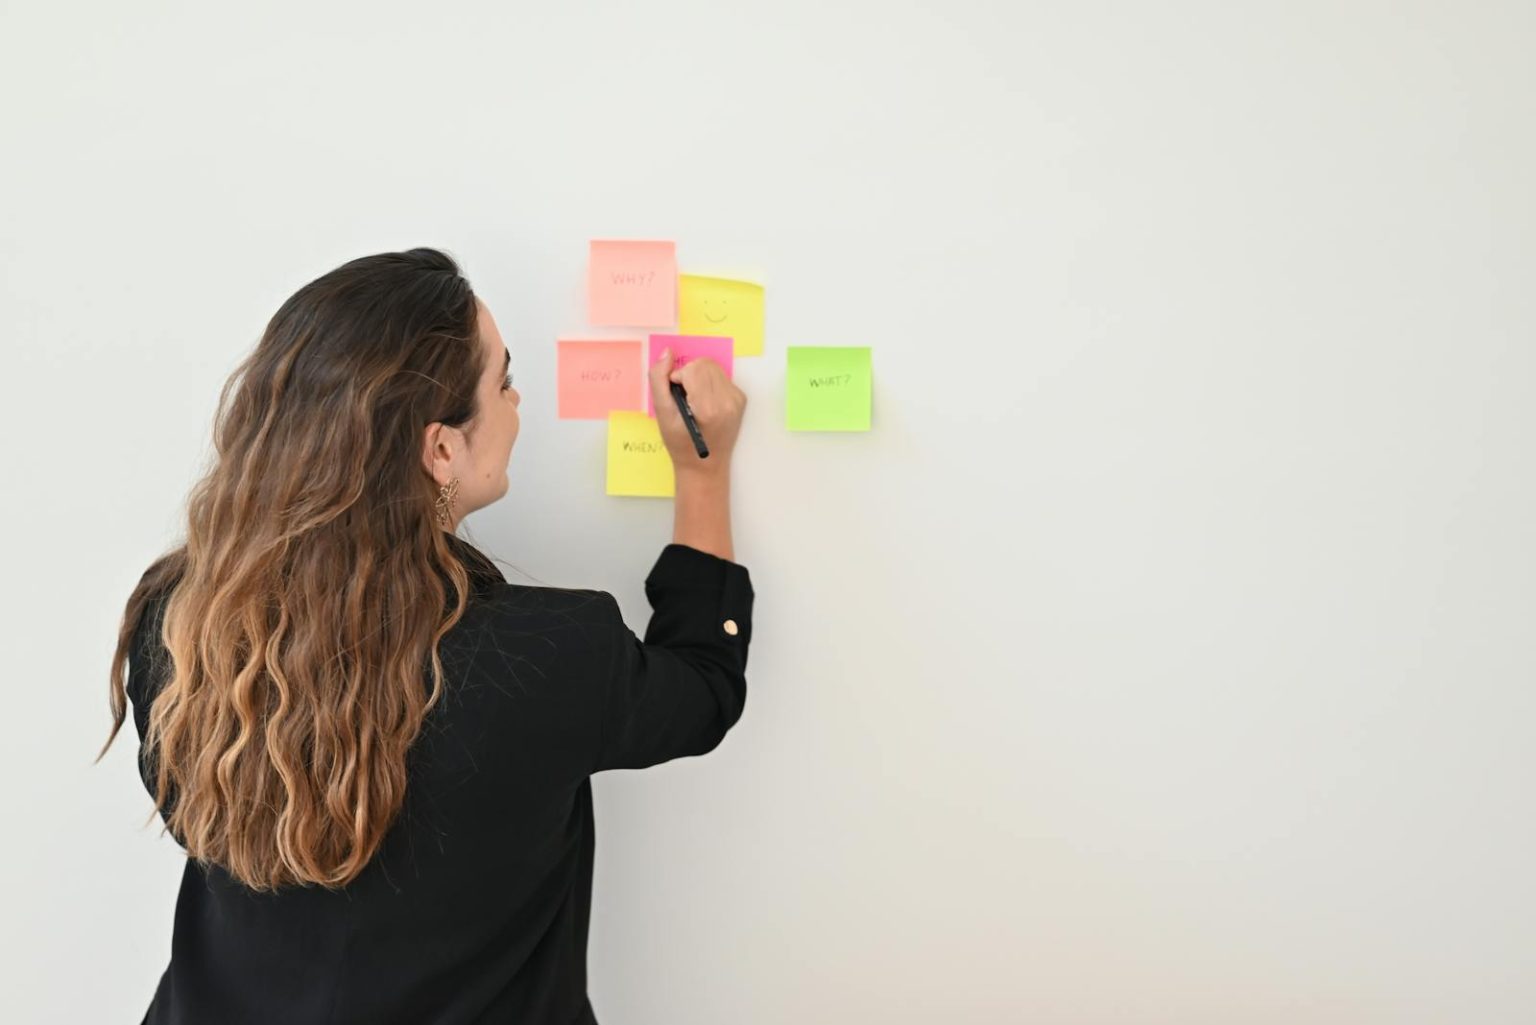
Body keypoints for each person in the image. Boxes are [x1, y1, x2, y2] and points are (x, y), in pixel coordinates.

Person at [96, 247, 754, 1024]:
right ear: (441, 449)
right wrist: (703, 473)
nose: (518, 401)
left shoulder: (177, 626)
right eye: (504, 380)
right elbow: (702, 687)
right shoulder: (547, 657)